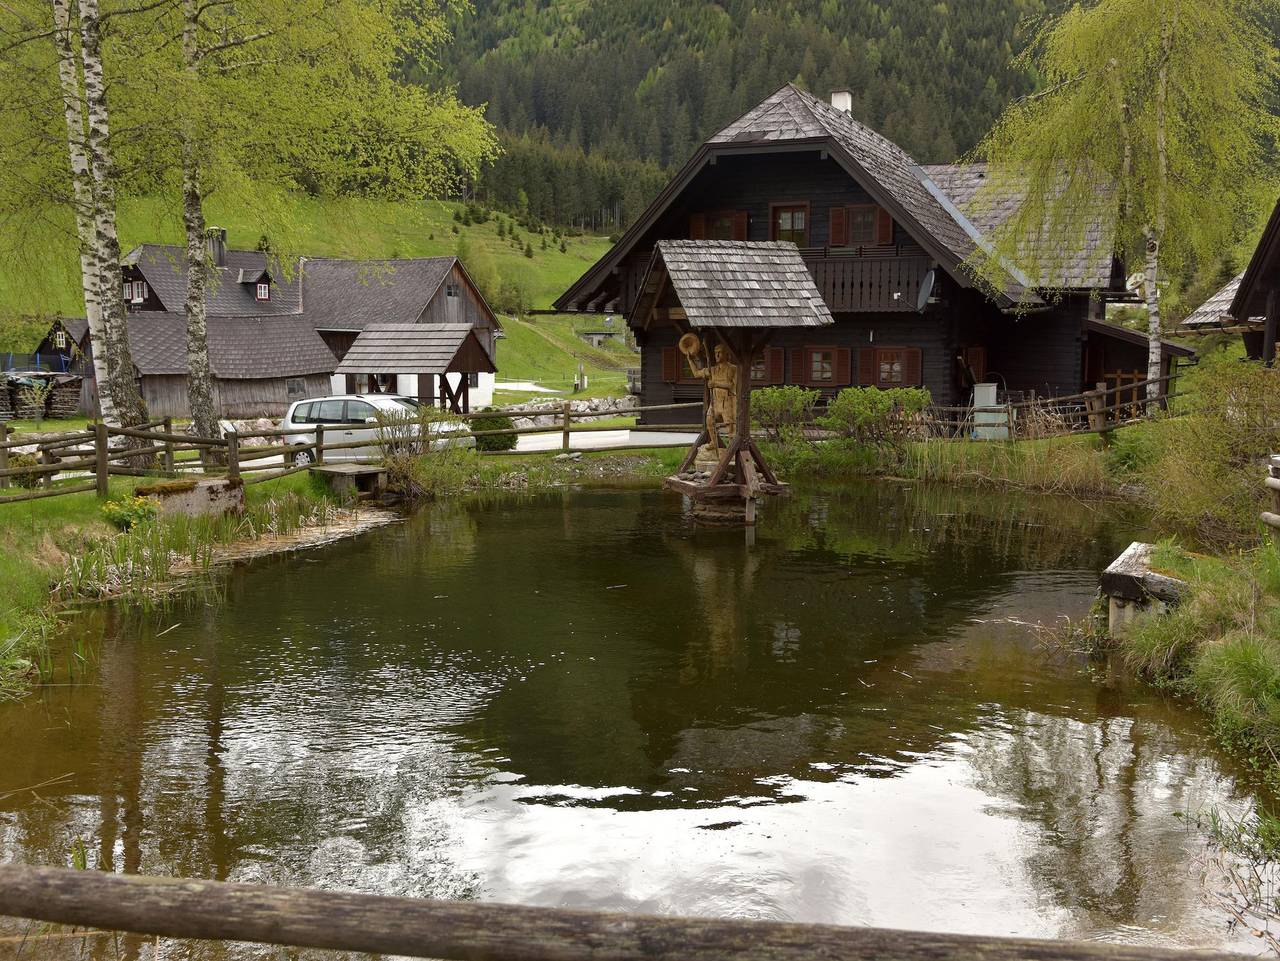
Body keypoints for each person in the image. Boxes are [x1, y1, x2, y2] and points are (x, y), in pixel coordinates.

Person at [687, 339, 738, 450]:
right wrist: (690, 360)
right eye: (716, 353)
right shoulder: (712, 370)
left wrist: (715, 383)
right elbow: (696, 374)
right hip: (715, 402)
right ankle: (714, 443)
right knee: (709, 421)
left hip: (727, 401)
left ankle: (732, 448)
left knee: (730, 426)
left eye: (720, 352)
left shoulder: (732, 368)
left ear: (726, 354)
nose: (717, 355)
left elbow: (731, 385)